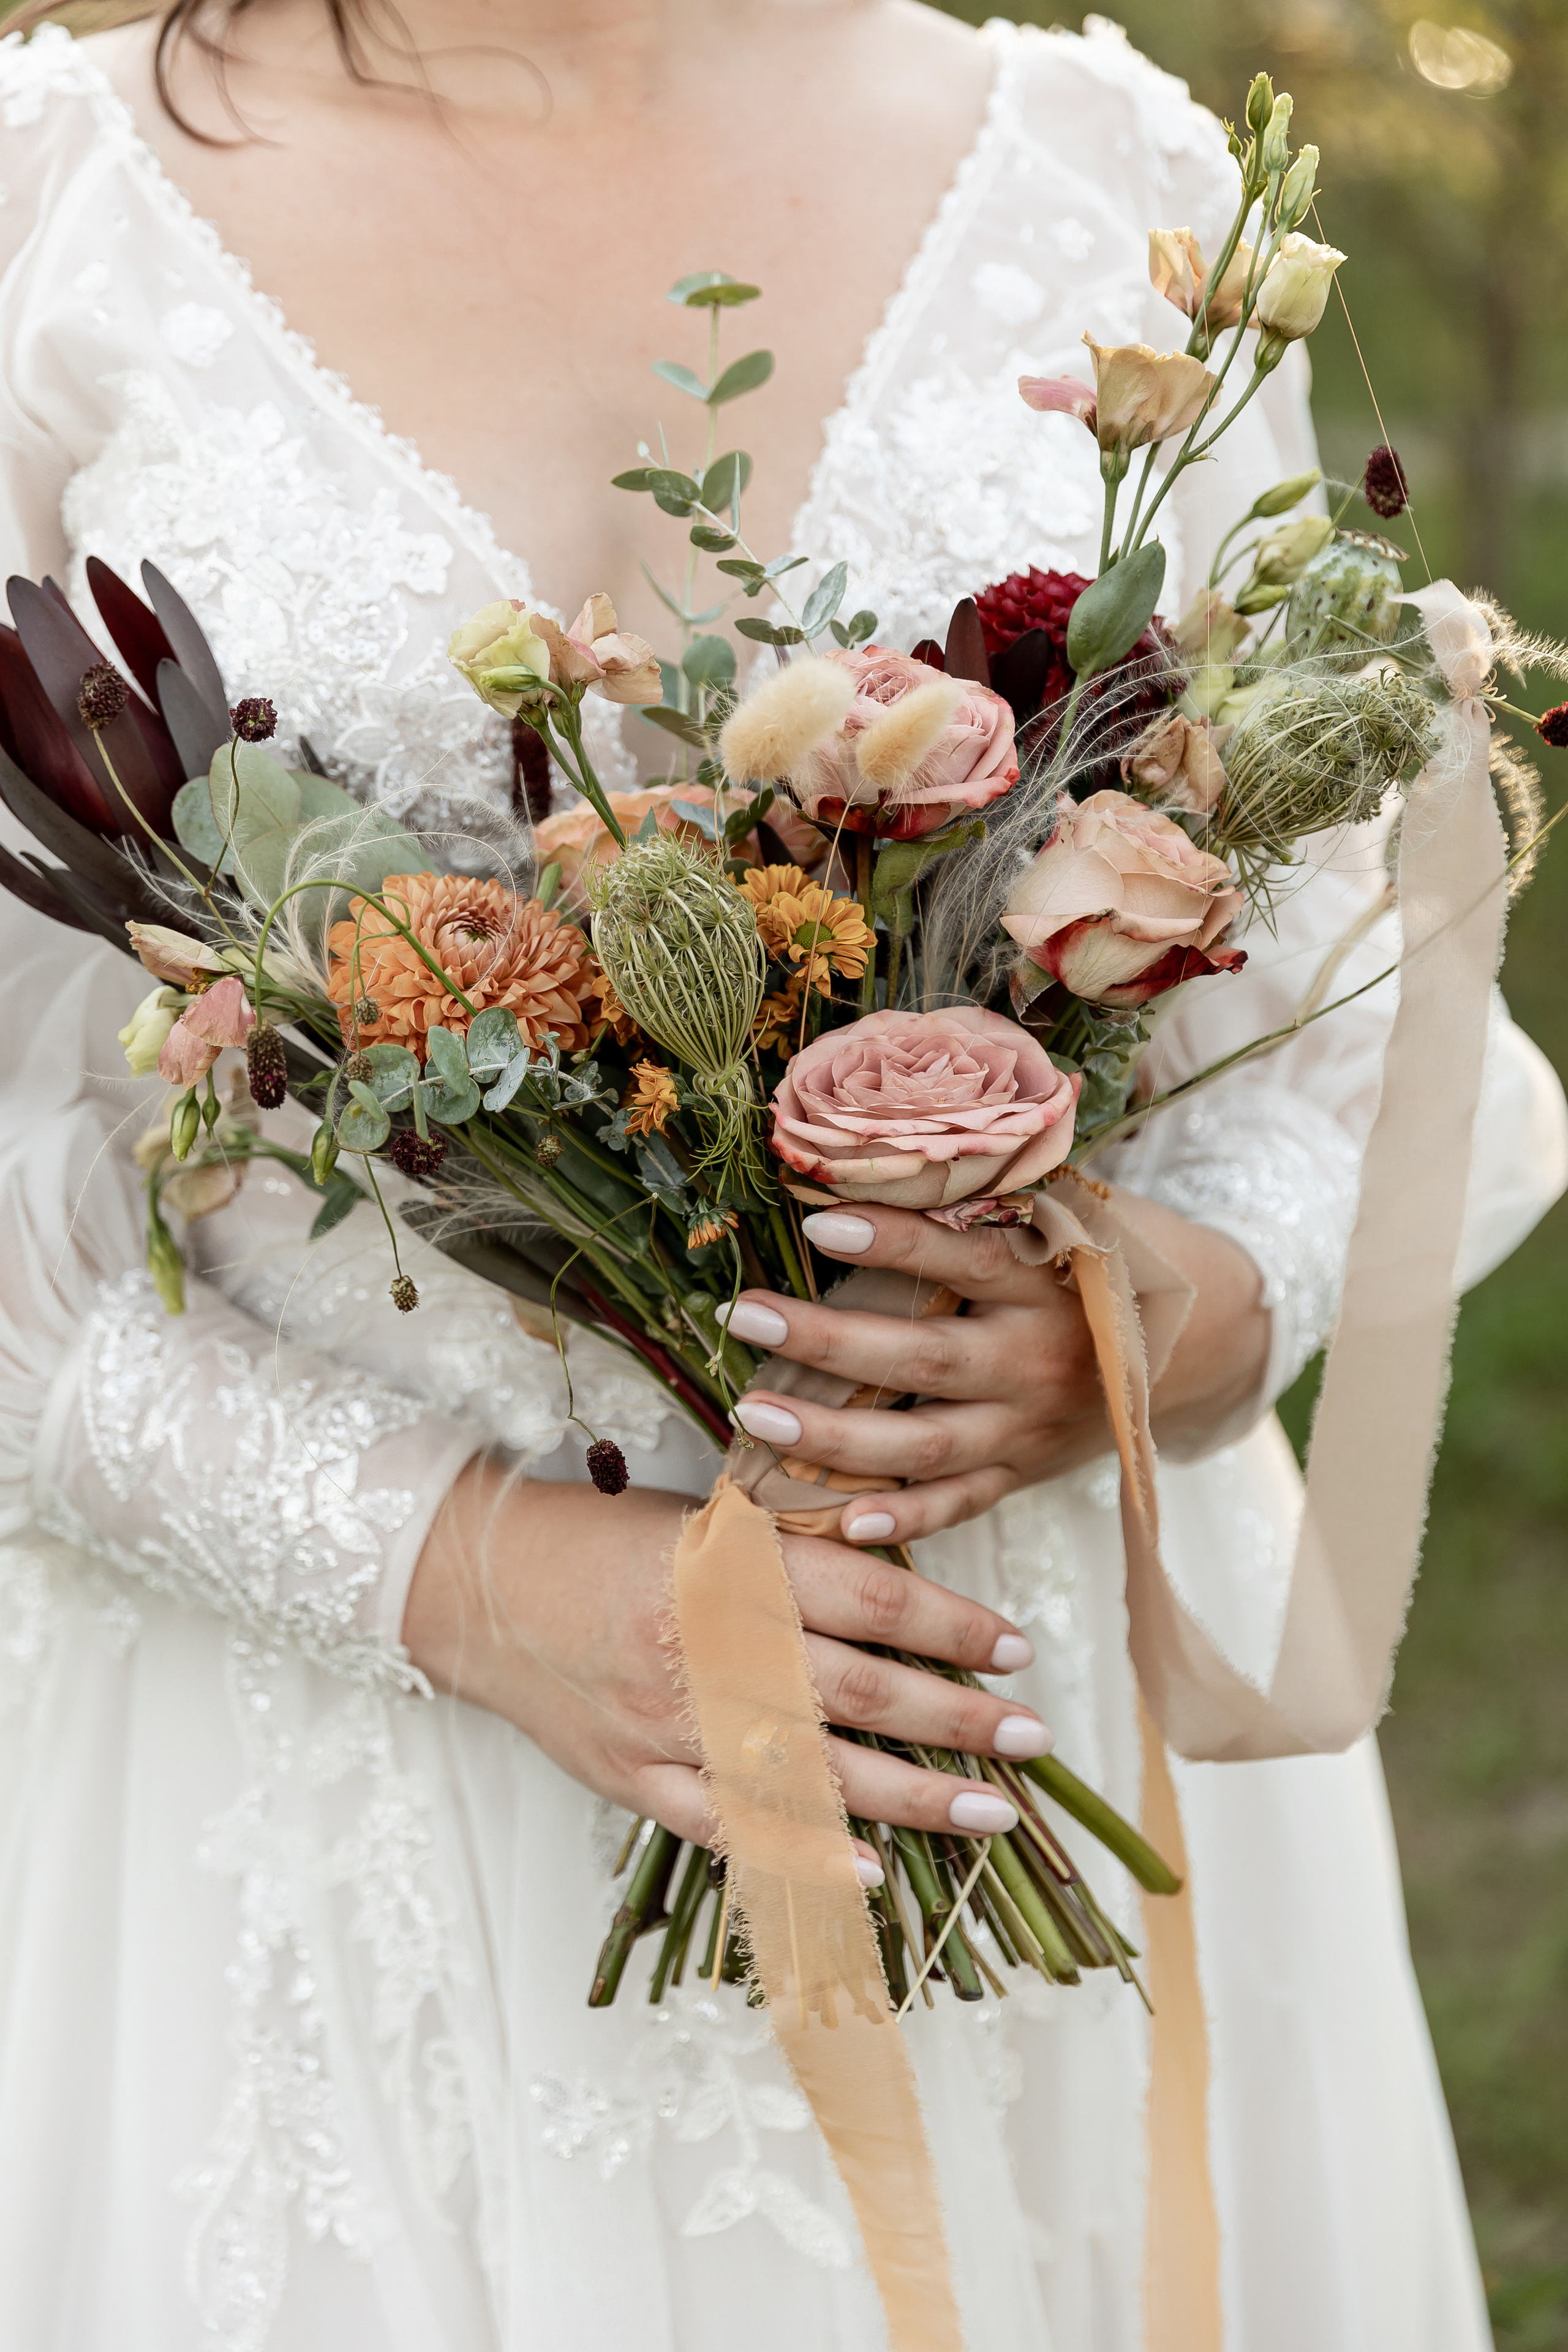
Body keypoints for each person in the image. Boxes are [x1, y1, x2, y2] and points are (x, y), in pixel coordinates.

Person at [0, 3, 1560, 2346]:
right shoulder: (43, 212)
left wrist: (1151, 1307)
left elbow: (1349, 1016)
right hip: (332, 1780)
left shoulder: (1107, 165)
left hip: (995, 1706)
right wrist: (471, 1571)